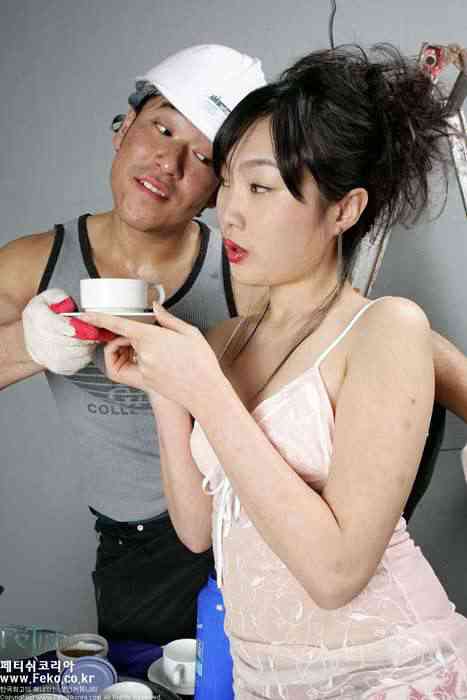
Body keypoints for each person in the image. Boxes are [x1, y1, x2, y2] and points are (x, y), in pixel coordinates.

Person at [83, 45, 467, 698]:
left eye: (261, 187)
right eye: (229, 181)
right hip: (267, 683)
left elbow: (336, 574)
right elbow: (199, 530)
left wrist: (205, 390)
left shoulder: (385, 330)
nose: (230, 211)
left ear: (343, 210)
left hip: (393, 675)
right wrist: (164, 389)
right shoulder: (225, 342)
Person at [0, 44, 266, 644]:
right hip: (134, 546)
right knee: (112, 678)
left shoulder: (246, 275)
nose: (169, 162)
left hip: (243, 530)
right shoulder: (36, 262)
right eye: (162, 128)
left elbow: (358, 345)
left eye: (202, 155)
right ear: (123, 130)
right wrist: (29, 341)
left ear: (218, 190)